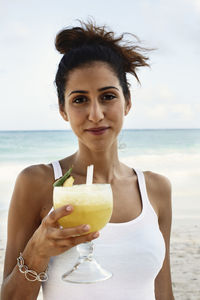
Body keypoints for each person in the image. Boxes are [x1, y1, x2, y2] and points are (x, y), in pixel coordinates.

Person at [1, 19, 174, 300]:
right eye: (80, 100)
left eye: (108, 96)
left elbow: (163, 292)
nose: (95, 114)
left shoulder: (156, 189)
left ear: (127, 102)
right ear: (63, 110)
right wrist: (37, 250)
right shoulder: (38, 183)